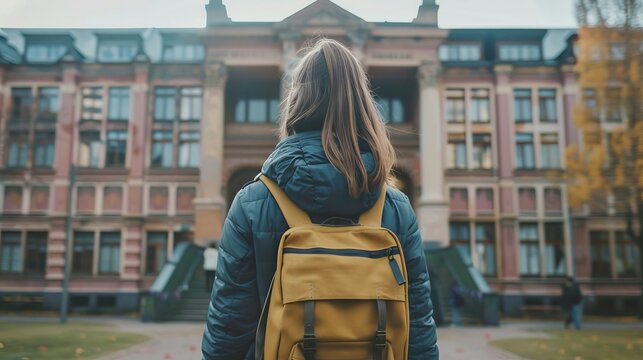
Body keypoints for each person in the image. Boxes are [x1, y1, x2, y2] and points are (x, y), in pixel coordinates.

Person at [201, 38, 438, 360]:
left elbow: (229, 327)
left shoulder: (252, 202)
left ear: (296, 101)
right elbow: (419, 328)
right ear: (363, 104)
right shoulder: (396, 207)